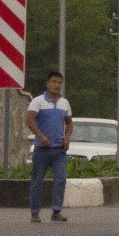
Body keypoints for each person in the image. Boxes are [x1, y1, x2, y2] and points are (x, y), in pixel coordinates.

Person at [25, 72, 74, 222]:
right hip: (42, 149)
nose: (57, 85)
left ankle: (56, 211)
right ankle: (35, 213)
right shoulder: (38, 101)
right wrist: (41, 136)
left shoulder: (64, 103)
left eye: (59, 83)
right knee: (37, 181)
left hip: (59, 150)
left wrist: (67, 138)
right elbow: (30, 121)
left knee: (60, 179)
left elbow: (69, 123)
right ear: (48, 83)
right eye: (54, 82)